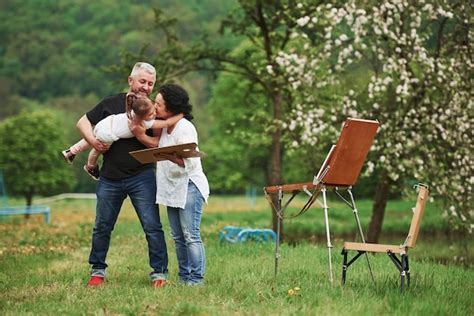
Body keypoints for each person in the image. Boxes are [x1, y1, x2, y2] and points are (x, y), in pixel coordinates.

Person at [76, 62, 168, 288]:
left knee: (152, 226)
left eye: (150, 83)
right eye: (142, 81)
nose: (146, 87)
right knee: (102, 226)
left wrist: (140, 134)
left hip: (142, 176)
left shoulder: (151, 109)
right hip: (110, 177)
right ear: (130, 80)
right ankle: (97, 271)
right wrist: (93, 141)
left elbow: (159, 143)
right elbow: (82, 122)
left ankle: (159, 274)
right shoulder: (110, 103)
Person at [131, 83, 209, 286]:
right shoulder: (164, 126)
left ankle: (196, 279)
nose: (155, 107)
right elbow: (153, 140)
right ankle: (184, 277)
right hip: (172, 187)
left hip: (189, 185)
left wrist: (169, 156)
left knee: (191, 235)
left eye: (158, 104)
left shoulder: (185, 128)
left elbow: (189, 162)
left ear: (171, 107)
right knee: (177, 236)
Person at [61, 94, 183, 180]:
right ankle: (90, 166)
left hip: (106, 123)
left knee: (92, 136)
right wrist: (181, 114)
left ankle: (71, 151)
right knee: (98, 149)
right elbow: (166, 123)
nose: (155, 114)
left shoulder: (133, 110)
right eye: (151, 114)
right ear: (143, 117)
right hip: (109, 134)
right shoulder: (144, 123)